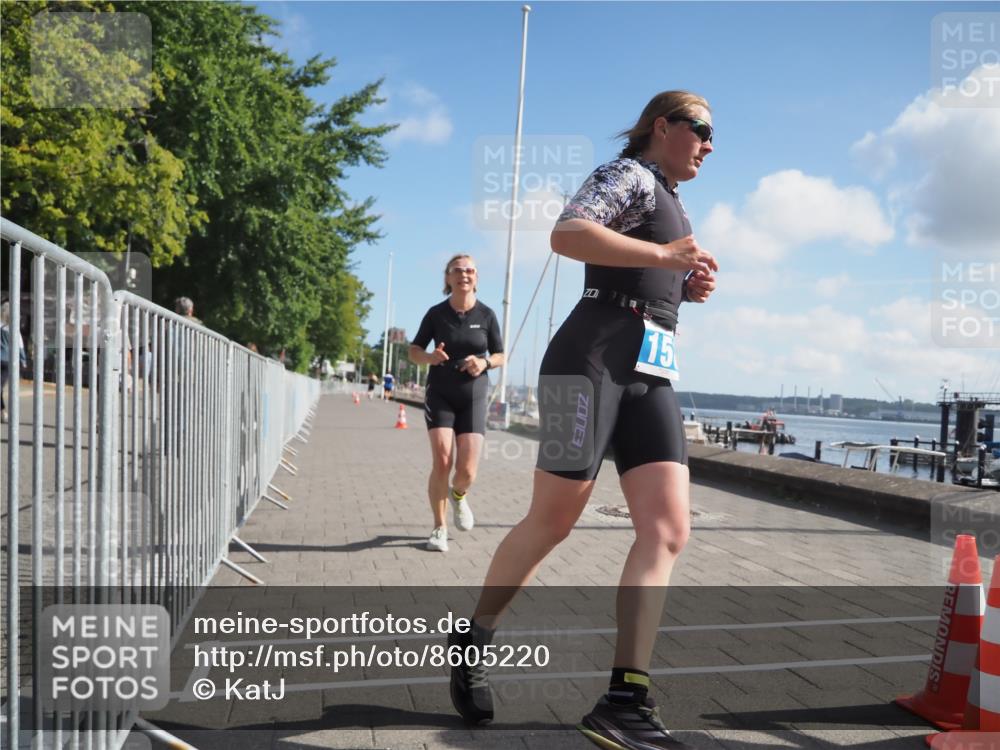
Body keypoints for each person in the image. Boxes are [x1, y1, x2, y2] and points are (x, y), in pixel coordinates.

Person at [447, 91, 718, 749]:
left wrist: (688, 286)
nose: (710, 145)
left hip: (650, 370)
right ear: (664, 126)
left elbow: (652, 274)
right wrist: (663, 260)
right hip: (587, 363)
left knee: (669, 529)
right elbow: (566, 234)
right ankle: (473, 635)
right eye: (702, 129)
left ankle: (625, 700)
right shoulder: (626, 174)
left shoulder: (675, 200)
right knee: (554, 520)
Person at [409, 254, 504, 553]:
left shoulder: (487, 315)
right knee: (443, 461)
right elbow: (413, 350)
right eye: (458, 270)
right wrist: (429, 358)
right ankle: (439, 528)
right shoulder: (436, 314)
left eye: (470, 270)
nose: (465, 274)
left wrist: (484, 362)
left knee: (467, 472)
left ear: (476, 278)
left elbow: (501, 355)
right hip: (440, 393)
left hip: (473, 396)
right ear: (448, 278)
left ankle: (459, 496)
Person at [1, 300, 28, 423]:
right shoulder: (13, 329)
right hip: (7, 361)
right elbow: (20, 345)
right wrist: (23, 360)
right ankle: (3, 413)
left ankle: (3, 412)